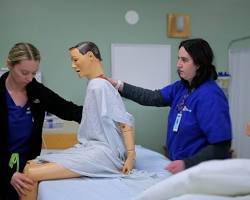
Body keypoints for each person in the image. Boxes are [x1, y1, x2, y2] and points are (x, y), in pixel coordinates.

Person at [21, 41, 136, 200]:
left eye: (75, 60)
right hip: (94, 148)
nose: (73, 65)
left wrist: (131, 156)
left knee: (30, 173)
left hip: (104, 154)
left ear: (90, 56)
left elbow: (125, 122)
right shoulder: (94, 85)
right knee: (30, 166)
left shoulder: (99, 86)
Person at [106, 38, 232, 174]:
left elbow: (221, 146)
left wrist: (187, 164)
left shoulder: (211, 96)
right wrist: (117, 85)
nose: (178, 64)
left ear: (199, 64)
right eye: (178, 59)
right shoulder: (181, 87)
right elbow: (151, 97)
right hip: (177, 166)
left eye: (184, 60)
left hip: (198, 171)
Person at [0, 42, 83, 200]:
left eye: (34, 73)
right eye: (24, 72)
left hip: (28, 169)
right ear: (9, 64)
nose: (30, 78)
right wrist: (8, 174)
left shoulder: (36, 91)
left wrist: (102, 110)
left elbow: (69, 110)